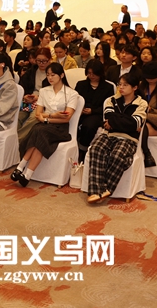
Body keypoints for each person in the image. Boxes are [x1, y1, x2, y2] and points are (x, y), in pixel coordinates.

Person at [12, 62, 79, 188]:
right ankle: (27, 175)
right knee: (39, 132)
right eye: (48, 75)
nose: (50, 78)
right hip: (44, 126)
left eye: (53, 75)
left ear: (61, 75)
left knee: (38, 130)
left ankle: (21, 167)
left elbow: (66, 118)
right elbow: (38, 114)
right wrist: (53, 115)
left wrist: (47, 118)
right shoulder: (43, 91)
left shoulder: (72, 94)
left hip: (60, 128)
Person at [85, 70, 148, 203]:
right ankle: (97, 191)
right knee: (96, 149)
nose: (121, 87)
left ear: (135, 87)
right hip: (108, 135)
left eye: (125, 85)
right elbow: (109, 118)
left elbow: (134, 123)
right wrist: (125, 122)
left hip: (129, 138)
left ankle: (106, 188)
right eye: (119, 84)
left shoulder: (142, 103)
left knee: (117, 155)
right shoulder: (111, 100)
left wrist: (115, 122)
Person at [74, 60, 113, 162]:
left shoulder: (108, 87)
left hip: (96, 113)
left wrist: (92, 111)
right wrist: (80, 109)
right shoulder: (81, 84)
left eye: (94, 74)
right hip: (80, 112)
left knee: (89, 125)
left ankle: (82, 149)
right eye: (89, 73)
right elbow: (74, 100)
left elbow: (108, 105)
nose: (91, 76)